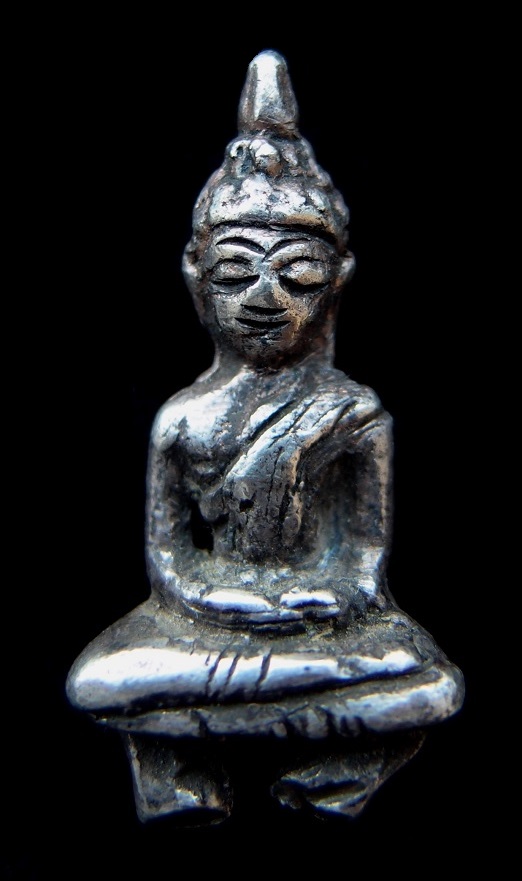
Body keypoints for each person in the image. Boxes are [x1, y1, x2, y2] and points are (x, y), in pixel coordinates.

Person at [67, 50, 463, 822]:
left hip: (318, 625)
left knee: (429, 680)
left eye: (297, 274)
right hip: (210, 622)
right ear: (195, 280)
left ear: (338, 281)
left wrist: (317, 601)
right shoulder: (182, 419)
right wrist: (229, 602)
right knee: (101, 677)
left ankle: (276, 764)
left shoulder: (354, 413)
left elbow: (362, 564)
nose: (264, 296)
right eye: (236, 271)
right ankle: (209, 765)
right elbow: (169, 564)